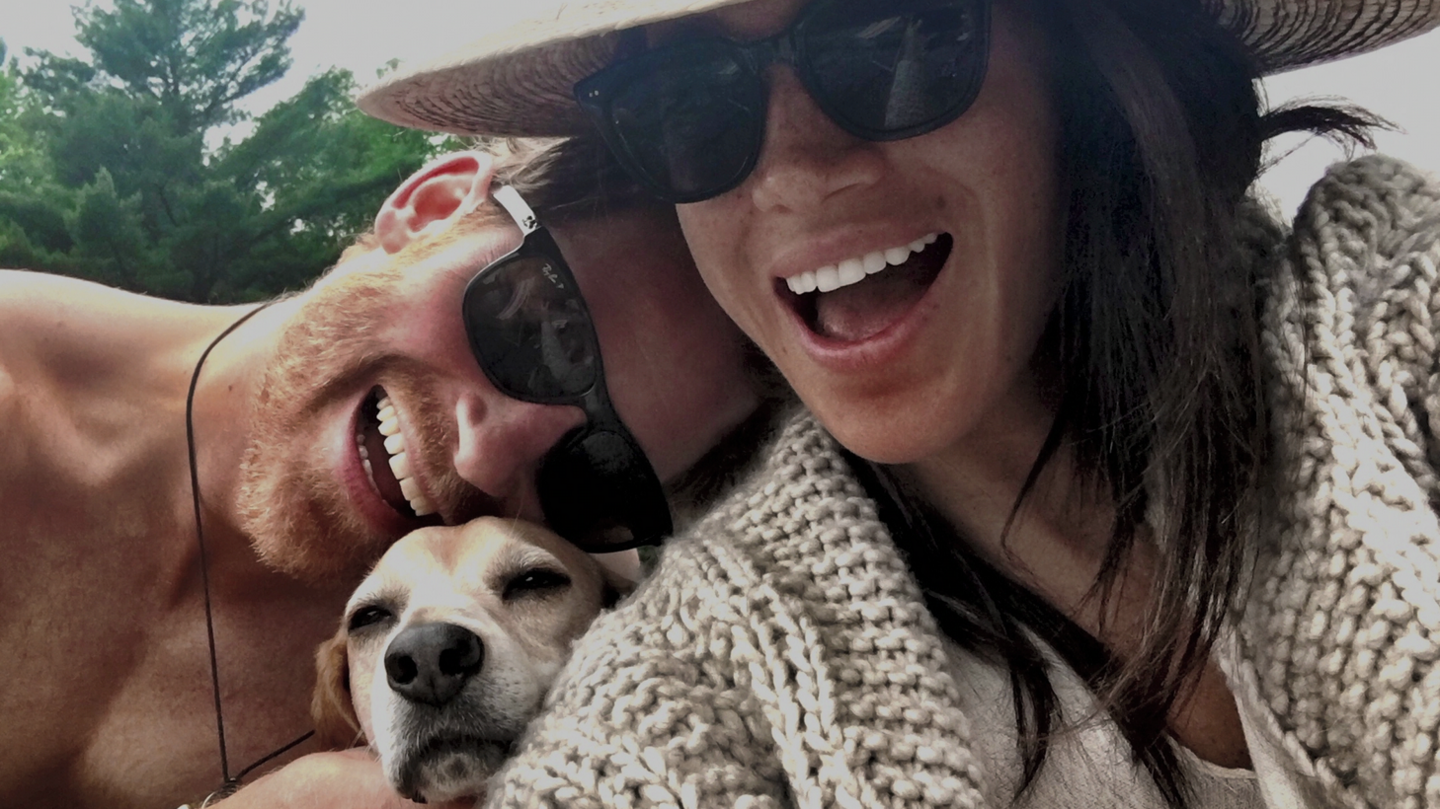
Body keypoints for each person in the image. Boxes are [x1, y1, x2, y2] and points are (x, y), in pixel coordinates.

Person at [356, 0, 1440, 806]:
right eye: (683, 105)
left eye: (892, 39)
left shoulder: (1392, 308)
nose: (791, 169)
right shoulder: (699, 687)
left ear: (1080, 53)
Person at [0, 137, 769, 809]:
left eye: (599, 472)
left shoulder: (533, 629)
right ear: (430, 206)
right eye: (541, 332)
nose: (482, 456)